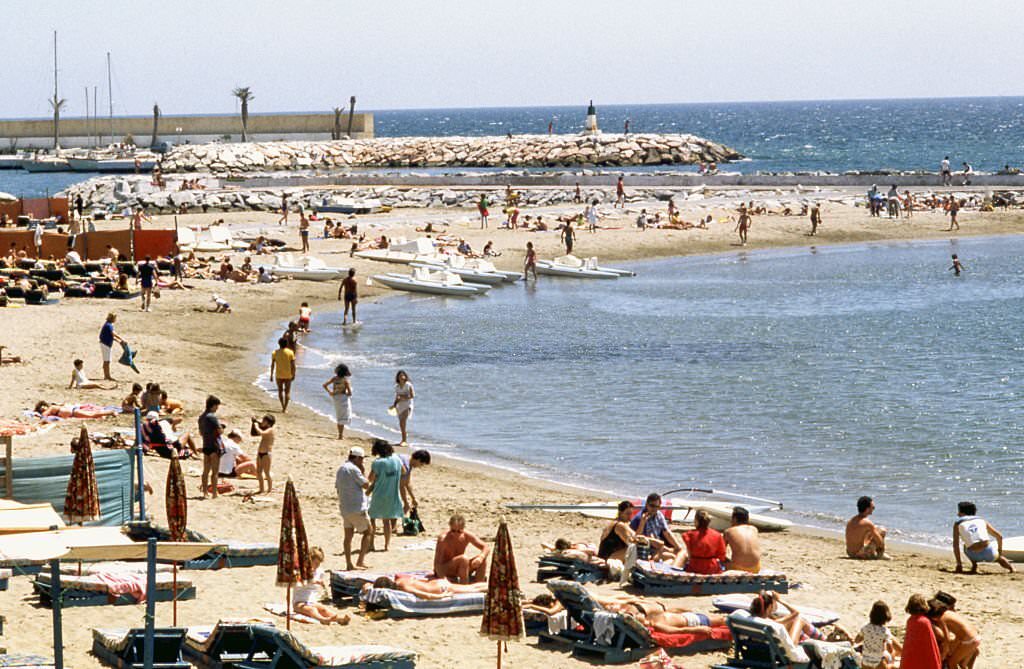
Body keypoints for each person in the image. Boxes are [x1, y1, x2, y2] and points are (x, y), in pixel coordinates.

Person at [292, 546, 350, 624]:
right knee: (312, 610)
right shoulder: (301, 571)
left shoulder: (319, 572)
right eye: (315, 563)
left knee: (323, 609)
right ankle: (322, 619)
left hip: (311, 600)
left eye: (318, 564)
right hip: (299, 602)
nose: (317, 566)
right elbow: (297, 583)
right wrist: (313, 581)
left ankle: (338, 618)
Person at [336, 447, 372, 570]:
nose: (362, 461)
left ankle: (349, 563)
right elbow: (366, 485)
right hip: (356, 507)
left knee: (348, 536)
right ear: (356, 458)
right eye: (361, 459)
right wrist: (363, 471)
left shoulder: (341, 469)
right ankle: (360, 560)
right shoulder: (354, 469)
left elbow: (337, 487)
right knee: (368, 532)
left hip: (345, 507)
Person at [953, 501, 1014, 573]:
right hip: (989, 553)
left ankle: (974, 564)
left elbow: (956, 545)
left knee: (965, 546)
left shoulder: (958, 523)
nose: (957, 514)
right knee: (999, 559)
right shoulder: (981, 520)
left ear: (962, 513)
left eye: (959, 511)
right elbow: (999, 537)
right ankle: (1011, 569)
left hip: (973, 554)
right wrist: (999, 552)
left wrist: (959, 564)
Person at [367, 441, 405, 552]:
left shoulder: (377, 462)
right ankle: (386, 545)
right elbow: (403, 471)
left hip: (379, 494)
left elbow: (371, 478)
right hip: (392, 494)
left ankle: (371, 544)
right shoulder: (397, 460)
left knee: (372, 519)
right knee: (386, 521)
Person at [434, 514, 489, 583]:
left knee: (482, 560)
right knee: (463, 559)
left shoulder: (466, 536)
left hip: (461, 567)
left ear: (463, 529)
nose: (456, 534)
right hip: (446, 569)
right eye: (453, 531)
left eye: (459, 531)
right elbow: (437, 564)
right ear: (450, 527)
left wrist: (481, 557)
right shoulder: (443, 539)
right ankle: (463, 586)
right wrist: (443, 579)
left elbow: (485, 547)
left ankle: (479, 584)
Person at [629, 493, 682, 558]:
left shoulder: (659, 515)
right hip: (647, 549)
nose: (654, 509)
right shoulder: (639, 518)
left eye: (657, 506)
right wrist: (642, 523)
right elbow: (636, 539)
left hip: (659, 546)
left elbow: (667, 533)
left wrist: (678, 547)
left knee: (680, 553)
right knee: (673, 557)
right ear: (646, 505)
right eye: (652, 506)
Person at [854, 601, 902, 669]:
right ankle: (891, 666)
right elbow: (890, 649)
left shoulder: (865, 627)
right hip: (879, 662)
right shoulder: (885, 631)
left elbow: (857, 640)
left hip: (865, 661)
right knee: (892, 656)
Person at [366, 574, 487, 599]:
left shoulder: (403, 587)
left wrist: (441, 596)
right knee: (472, 587)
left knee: (473, 589)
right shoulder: (400, 579)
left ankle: (493, 586)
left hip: (440, 589)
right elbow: (419, 580)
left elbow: (425, 595)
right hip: (436, 583)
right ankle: (491, 584)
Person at [902, 594, 942, 669]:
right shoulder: (924, 622)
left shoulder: (910, 620)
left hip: (910, 660)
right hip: (922, 661)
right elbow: (931, 645)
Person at [846, 495, 889, 559]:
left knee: (872, 531)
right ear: (867, 509)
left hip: (850, 552)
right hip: (860, 554)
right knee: (882, 530)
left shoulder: (851, 520)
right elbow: (879, 542)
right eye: (873, 507)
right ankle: (880, 554)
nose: (873, 509)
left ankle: (876, 553)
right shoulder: (867, 523)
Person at [198, 395, 224, 500]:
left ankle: (204, 492)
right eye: (217, 406)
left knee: (205, 471)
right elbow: (220, 431)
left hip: (206, 445)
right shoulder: (212, 417)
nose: (217, 408)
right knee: (215, 472)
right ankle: (214, 493)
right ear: (213, 406)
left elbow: (200, 432)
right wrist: (222, 427)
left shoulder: (201, 417)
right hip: (214, 445)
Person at [723, 506, 762, 573]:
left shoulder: (728, 531)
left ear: (734, 519)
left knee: (718, 562)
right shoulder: (754, 529)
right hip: (756, 568)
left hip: (738, 568)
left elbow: (721, 552)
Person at [323, 364, 352, 439]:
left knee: (339, 416)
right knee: (343, 417)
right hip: (343, 398)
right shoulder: (345, 381)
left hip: (336, 398)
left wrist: (330, 392)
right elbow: (349, 393)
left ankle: (340, 434)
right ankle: (340, 435)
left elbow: (324, 385)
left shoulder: (334, 379)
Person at [250, 414, 275, 494]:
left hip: (266, 454)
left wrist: (256, 426)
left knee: (267, 473)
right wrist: (255, 422)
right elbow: (254, 433)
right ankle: (261, 489)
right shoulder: (266, 427)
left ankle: (269, 489)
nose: (262, 422)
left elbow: (262, 433)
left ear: (268, 423)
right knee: (259, 472)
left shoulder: (270, 430)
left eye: (264, 421)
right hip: (260, 453)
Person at [270, 337, 296, 412]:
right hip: (288, 375)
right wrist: (293, 374)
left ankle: (282, 406)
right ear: (287, 344)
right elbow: (293, 365)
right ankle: (285, 408)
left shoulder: (275, 353)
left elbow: (272, 365)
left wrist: (271, 375)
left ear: (279, 344)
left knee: (280, 391)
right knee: (287, 392)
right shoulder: (290, 352)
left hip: (279, 375)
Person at [98, 313, 125, 381]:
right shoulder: (109, 325)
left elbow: (111, 336)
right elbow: (113, 334)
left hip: (105, 344)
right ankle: (107, 376)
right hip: (105, 345)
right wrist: (122, 339)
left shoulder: (108, 324)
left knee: (107, 360)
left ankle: (106, 375)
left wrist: (119, 342)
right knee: (107, 361)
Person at [391, 370, 414, 446]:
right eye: (399, 376)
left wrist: (403, 397)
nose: (401, 377)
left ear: (405, 376)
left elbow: (412, 396)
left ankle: (404, 440)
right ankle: (403, 439)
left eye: (402, 375)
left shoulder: (408, 385)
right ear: (397, 377)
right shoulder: (397, 387)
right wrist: (394, 405)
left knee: (402, 422)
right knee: (401, 424)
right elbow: (397, 397)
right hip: (400, 406)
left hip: (408, 405)